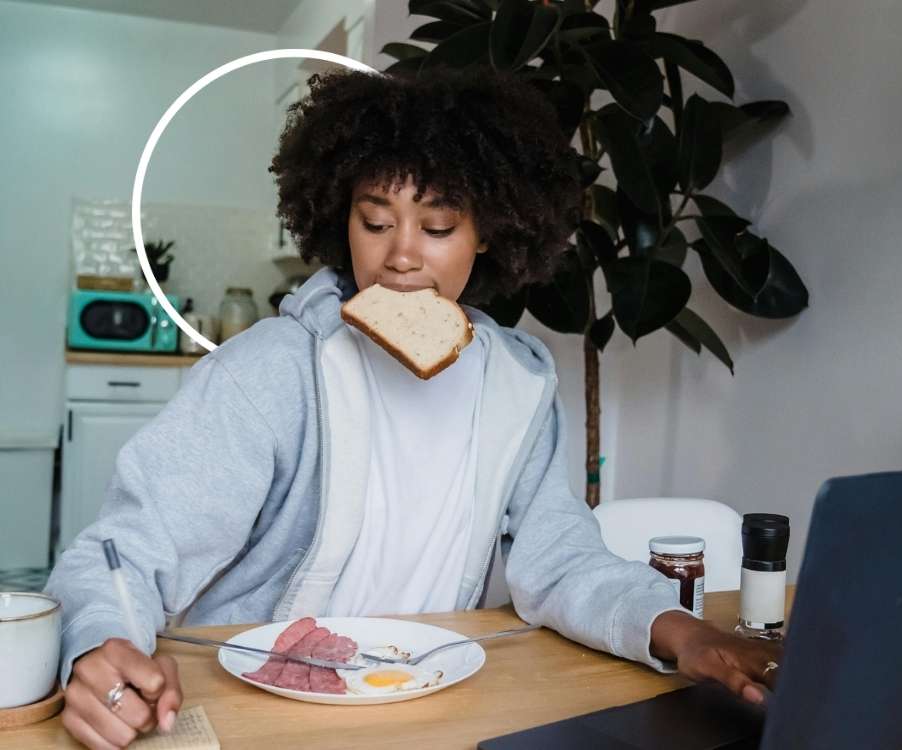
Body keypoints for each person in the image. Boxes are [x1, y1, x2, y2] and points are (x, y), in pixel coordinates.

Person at [45, 68, 781, 750]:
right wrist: (99, 643)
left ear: (489, 229)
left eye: (436, 228)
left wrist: (682, 632)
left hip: (426, 705)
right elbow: (127, 550)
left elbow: (559, 561)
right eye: (374, 221)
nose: (401, 256)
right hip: (256, 711)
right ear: (340, 218)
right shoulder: (272, 369)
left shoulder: (518, 382)